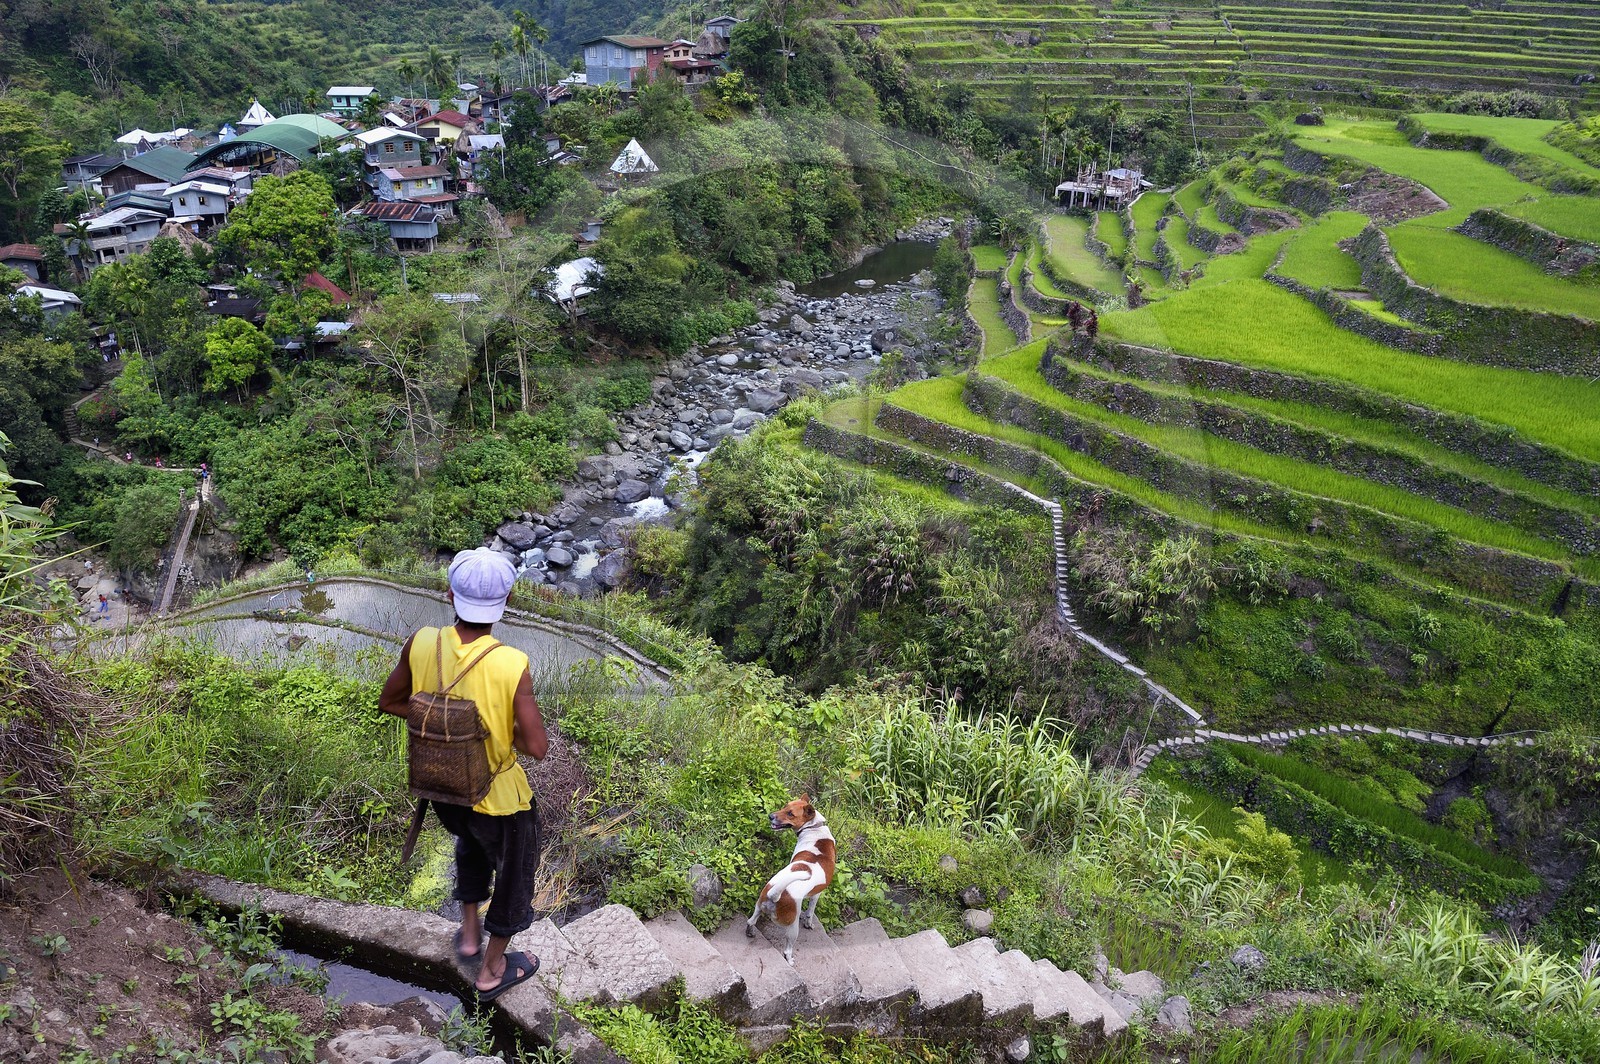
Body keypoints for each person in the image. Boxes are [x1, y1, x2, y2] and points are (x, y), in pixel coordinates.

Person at [378, 548, 548, 1001]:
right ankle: (491, 970)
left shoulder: (422, 642)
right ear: (505, 602)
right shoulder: (511, 663)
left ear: (450, 594)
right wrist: (485, 728)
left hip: (444, 789)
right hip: (499, 798)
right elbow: (537, 747)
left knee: (469, 846)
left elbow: (392, 702)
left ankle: (470, 935)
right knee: (514, 878)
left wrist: (446, 724)